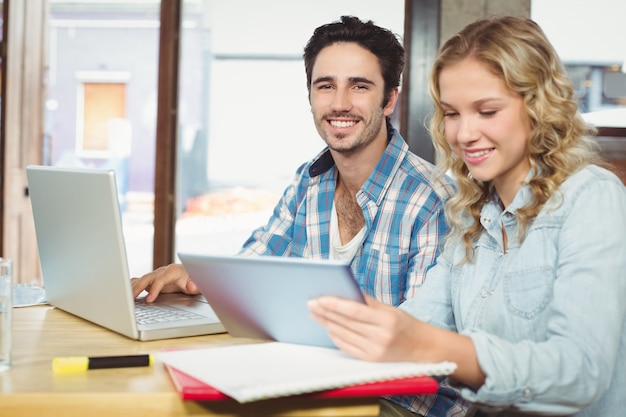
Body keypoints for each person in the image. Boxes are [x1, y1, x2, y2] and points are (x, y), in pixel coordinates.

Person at [132, 15, 462, 415]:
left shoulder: (431, 199)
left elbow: (420, 349)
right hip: (318, 383)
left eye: (359, 86)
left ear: (389, 98)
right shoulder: (309, 182)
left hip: (402, 402)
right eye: (326, 86)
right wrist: (192, 277)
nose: (340, 103)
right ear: (310, 96)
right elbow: (253, 266)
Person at [308, 14, 626, 417]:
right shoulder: (472, 215)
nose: (463, 134)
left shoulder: (591, 196)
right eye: (453, 114)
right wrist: (359, 325)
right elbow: (418, 321)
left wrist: (428, 345)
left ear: (538, 107)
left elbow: (580, 372)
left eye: (487, 111)